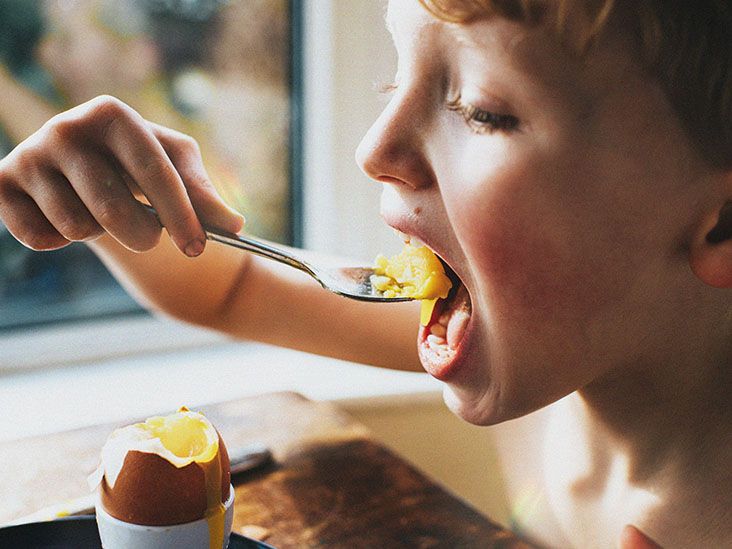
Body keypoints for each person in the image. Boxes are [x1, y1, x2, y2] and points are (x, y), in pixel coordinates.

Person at [0, 0, 729, 546]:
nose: (374, 148)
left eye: (482, 111)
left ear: (720, 223)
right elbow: (234, 288)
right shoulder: (557, 343)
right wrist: (110, 196)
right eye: (392, 81)